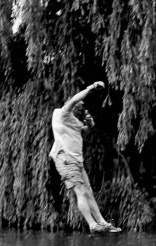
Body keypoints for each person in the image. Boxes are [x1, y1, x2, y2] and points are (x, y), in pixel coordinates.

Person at [50, 81, 121, 234]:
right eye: (79, 106)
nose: (81, 108)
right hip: (65, 159)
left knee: (87, 190)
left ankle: (102, 222)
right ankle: (92, 224)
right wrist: (91, 87)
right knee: (80, 191)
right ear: (72, 106)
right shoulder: (62, 114)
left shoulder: (75, 120)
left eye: (81, 108)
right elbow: (75, 99)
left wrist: (90, 125)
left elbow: (83, 132)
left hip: (77, 161)